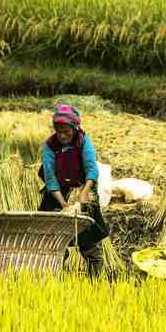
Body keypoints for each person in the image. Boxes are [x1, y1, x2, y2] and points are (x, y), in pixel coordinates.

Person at [37, 103, 110, 277]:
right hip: (58, 192)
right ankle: (55, 275)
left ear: (74, 127)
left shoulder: (83, 141)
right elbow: (50, 177)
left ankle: (96, 279)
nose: (61, 135)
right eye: (58, 131)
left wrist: (83, 194)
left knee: (89, 236)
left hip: (83, 187)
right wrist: (63, 204)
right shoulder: (49, 146)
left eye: (66, 131)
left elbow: (92, 169)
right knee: (51, 236)